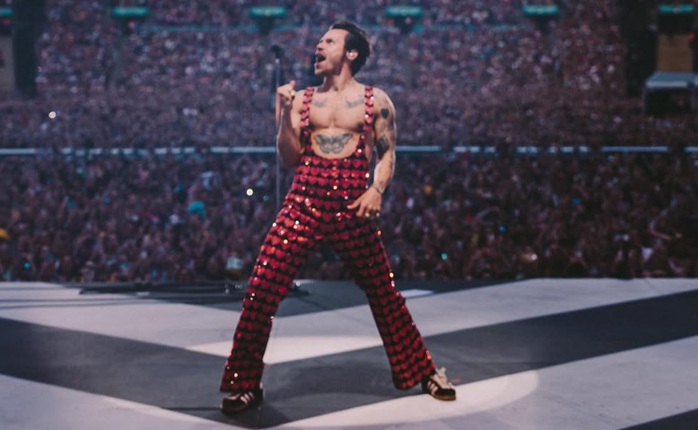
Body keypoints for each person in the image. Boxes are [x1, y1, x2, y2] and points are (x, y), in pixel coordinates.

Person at [219, 20, 456, 414]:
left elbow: (388, 154)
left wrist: (376, 190)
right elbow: (289, 158)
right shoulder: (301, 100)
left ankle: (425, 370)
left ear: (350, 53)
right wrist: (283, 113)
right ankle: (246, 384)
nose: (318, 46)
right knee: (261, 289)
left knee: (385, 295)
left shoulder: (376, 100)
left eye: (328, 41)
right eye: (319, 41)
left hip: (353, 205)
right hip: (303, 202)